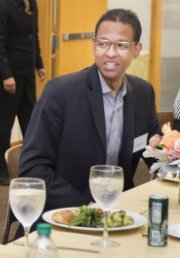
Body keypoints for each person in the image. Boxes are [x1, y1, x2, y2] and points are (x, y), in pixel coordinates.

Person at [18, 8, 159, 219]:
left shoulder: (143, 93)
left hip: (119, 215)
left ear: (136, 50)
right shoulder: (60, 93)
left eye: (121, 45)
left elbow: (156, 151)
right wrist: (89, 209)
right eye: (103, 44)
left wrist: (168, 156)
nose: (110, 53)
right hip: (64, 215)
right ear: (93, 45)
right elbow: (32, 168)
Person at [0, 0, 46, 186]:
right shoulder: (0, 6)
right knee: (4, 125)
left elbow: (34, 36)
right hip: (8, 75)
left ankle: (31, 167)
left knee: (31, 123)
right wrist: (6, 75)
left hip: (27, 71)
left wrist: (39, 64)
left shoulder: (30, 3)